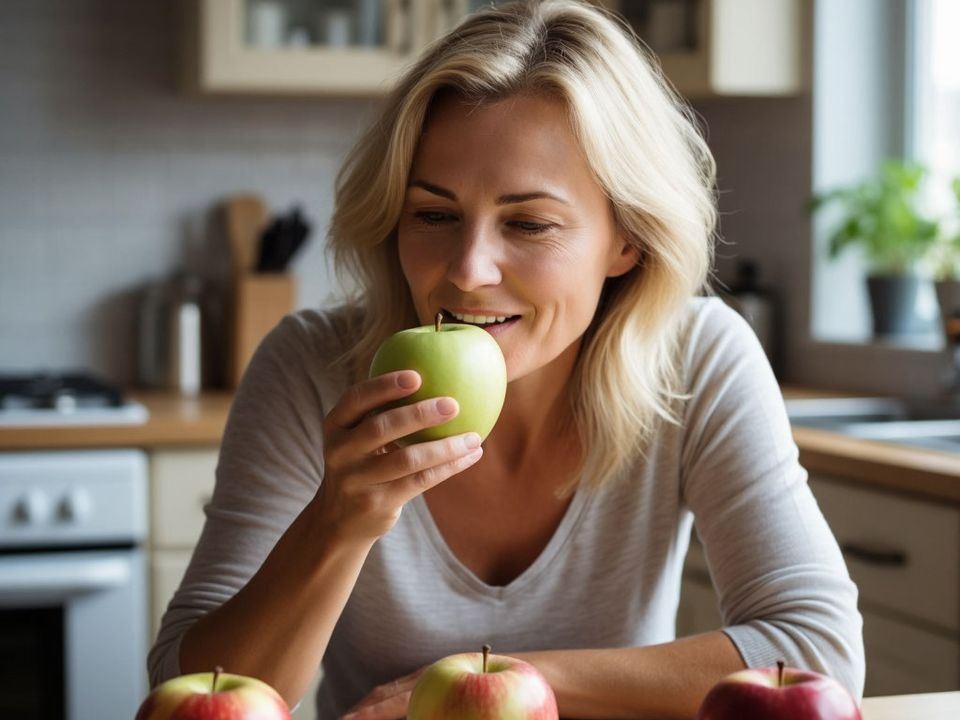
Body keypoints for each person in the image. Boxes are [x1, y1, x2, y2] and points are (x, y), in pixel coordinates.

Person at [148, 1, 865, 717]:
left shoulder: (698, 357)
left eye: (527, 223)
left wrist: (508, 683)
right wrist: (336, 523)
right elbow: (189, 687)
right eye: (434, 214)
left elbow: (817, 649)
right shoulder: (312, 368)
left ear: (627, 239)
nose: (467, 270)